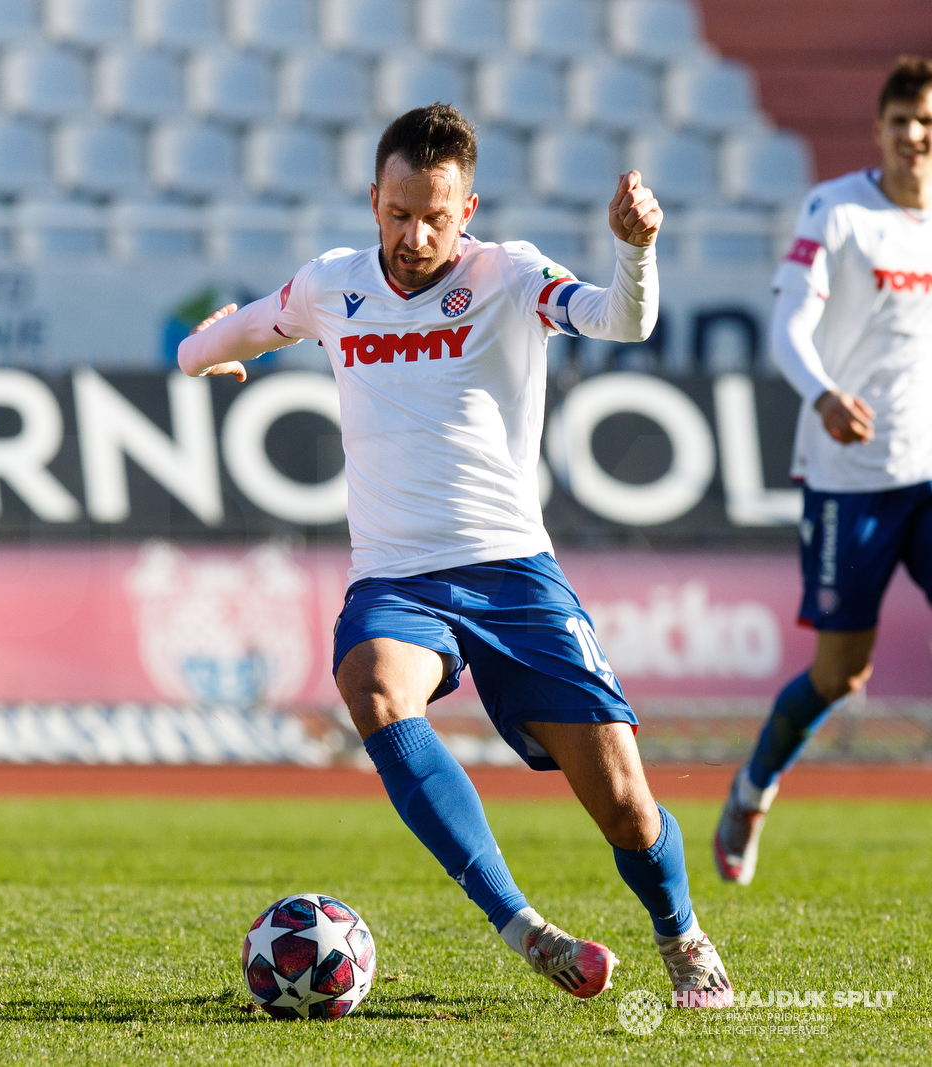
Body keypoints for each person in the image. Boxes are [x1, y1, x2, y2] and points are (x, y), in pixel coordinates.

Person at [180, 104, 733, 1007]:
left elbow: (621, 321)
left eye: (435, 215)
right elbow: (218, 337)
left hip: (513, 572)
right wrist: (205, 356)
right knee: (371, 684)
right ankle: (528, 929)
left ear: (466, 207)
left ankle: (680, 932)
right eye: (398, 213)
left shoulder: (509, 274)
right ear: (373, 199)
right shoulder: (332, 285)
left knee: (629, 808)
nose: (415, 234)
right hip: (397, 577)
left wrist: (636, 249)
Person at [716, 56, 932, 886]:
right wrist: (823, 394)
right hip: (852, 476)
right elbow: (787, 327)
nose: (915, 136)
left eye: (927, 122)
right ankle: (754, 783)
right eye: (902, 120)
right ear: (879, 128)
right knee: (843, 672)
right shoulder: (837, 210)